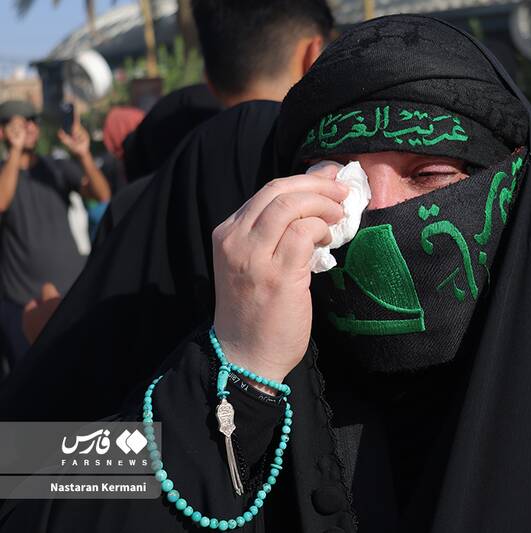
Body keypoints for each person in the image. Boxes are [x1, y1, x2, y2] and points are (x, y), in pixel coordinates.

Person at [2, 15, 531, 533]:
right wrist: (235, 372)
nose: (378, 212)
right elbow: (30, 470)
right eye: (337, 179)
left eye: (431, 175)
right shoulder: (253, 347)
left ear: (516, 188)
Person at [0, 0, 334, 420]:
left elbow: (50, 450)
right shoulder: (333, 180)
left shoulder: (140, 201)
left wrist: (58, 338)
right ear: (314, 54)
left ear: (209, 78)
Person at [0, 100, 110, 368]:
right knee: (29, 378)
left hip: (70, 293)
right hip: (23, 304)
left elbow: (102, 194)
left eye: (32, 122)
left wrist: (83, 155)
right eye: (20, 123)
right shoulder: (5, 175)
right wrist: (14, 151)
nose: (29, 127)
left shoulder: (56, 166)